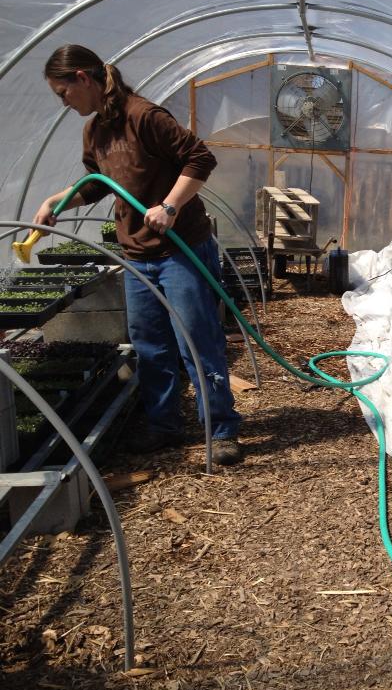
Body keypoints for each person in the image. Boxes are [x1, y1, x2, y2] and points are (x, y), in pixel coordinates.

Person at [32, 44, 242, 465]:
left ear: (83, 79)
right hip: (136, 252)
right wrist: (58, 201)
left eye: (63, 92)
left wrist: (170, 205)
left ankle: (219, 429)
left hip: (179, 248)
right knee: (150, 345)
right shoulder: (95, 131)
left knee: (196, 343)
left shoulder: (143, 116)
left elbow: (200, 157)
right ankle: (165, 425)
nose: (63, 102)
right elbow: (99, 183)